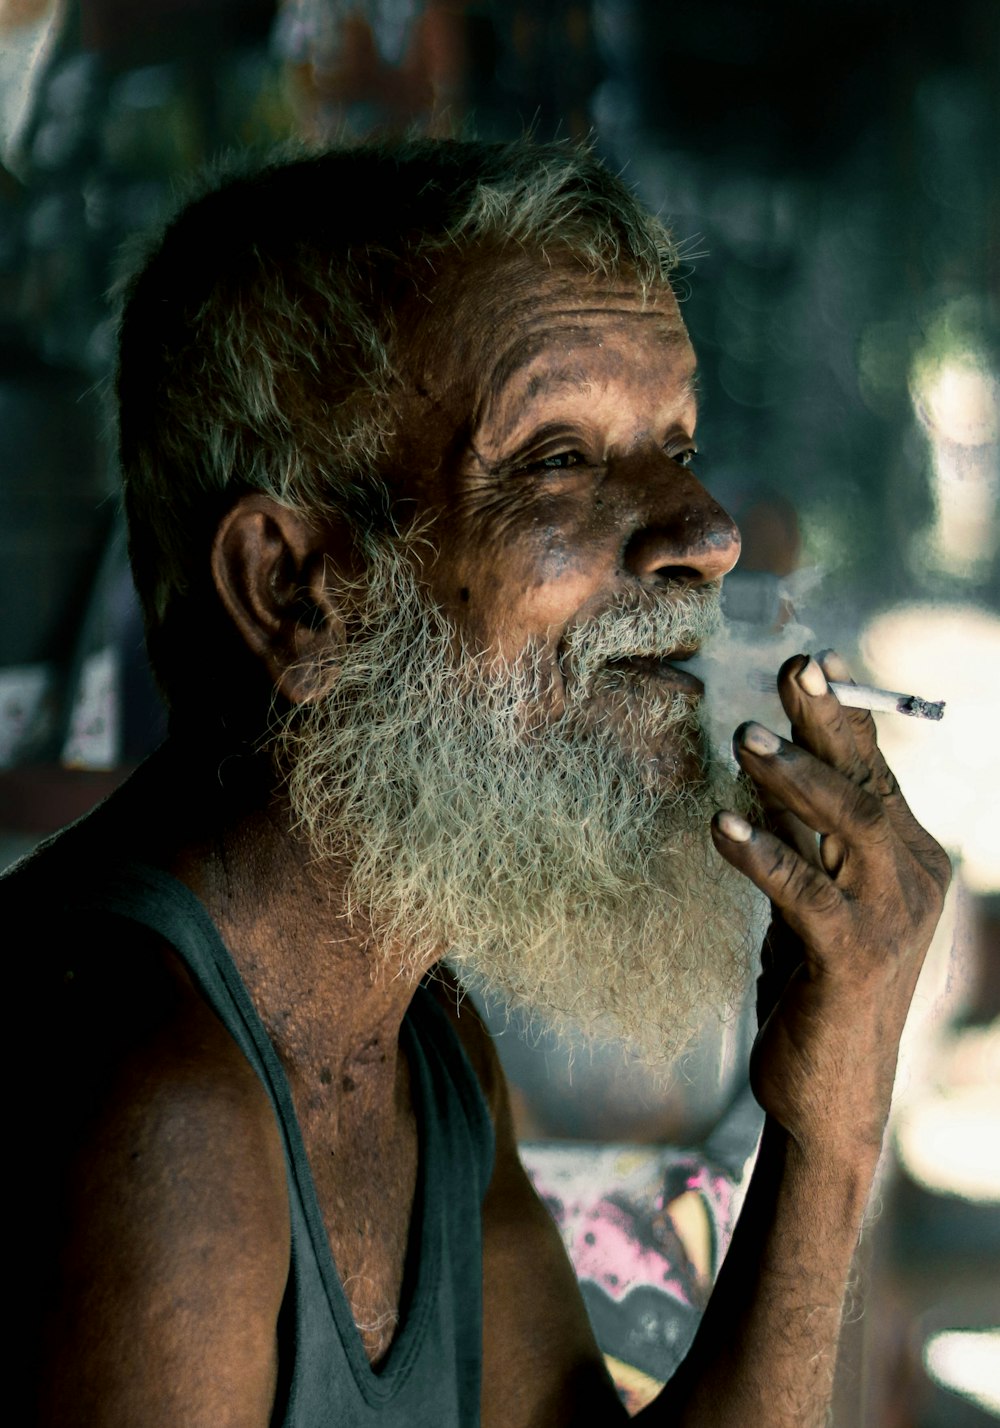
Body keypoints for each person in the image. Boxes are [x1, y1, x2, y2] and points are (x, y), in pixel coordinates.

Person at [9, 139, 949, 1426]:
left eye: (675, 444)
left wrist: (829, 1125)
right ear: (297, 590)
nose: (707, 533)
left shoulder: (423, 1041)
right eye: (558, 457)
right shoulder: (151, 1102)